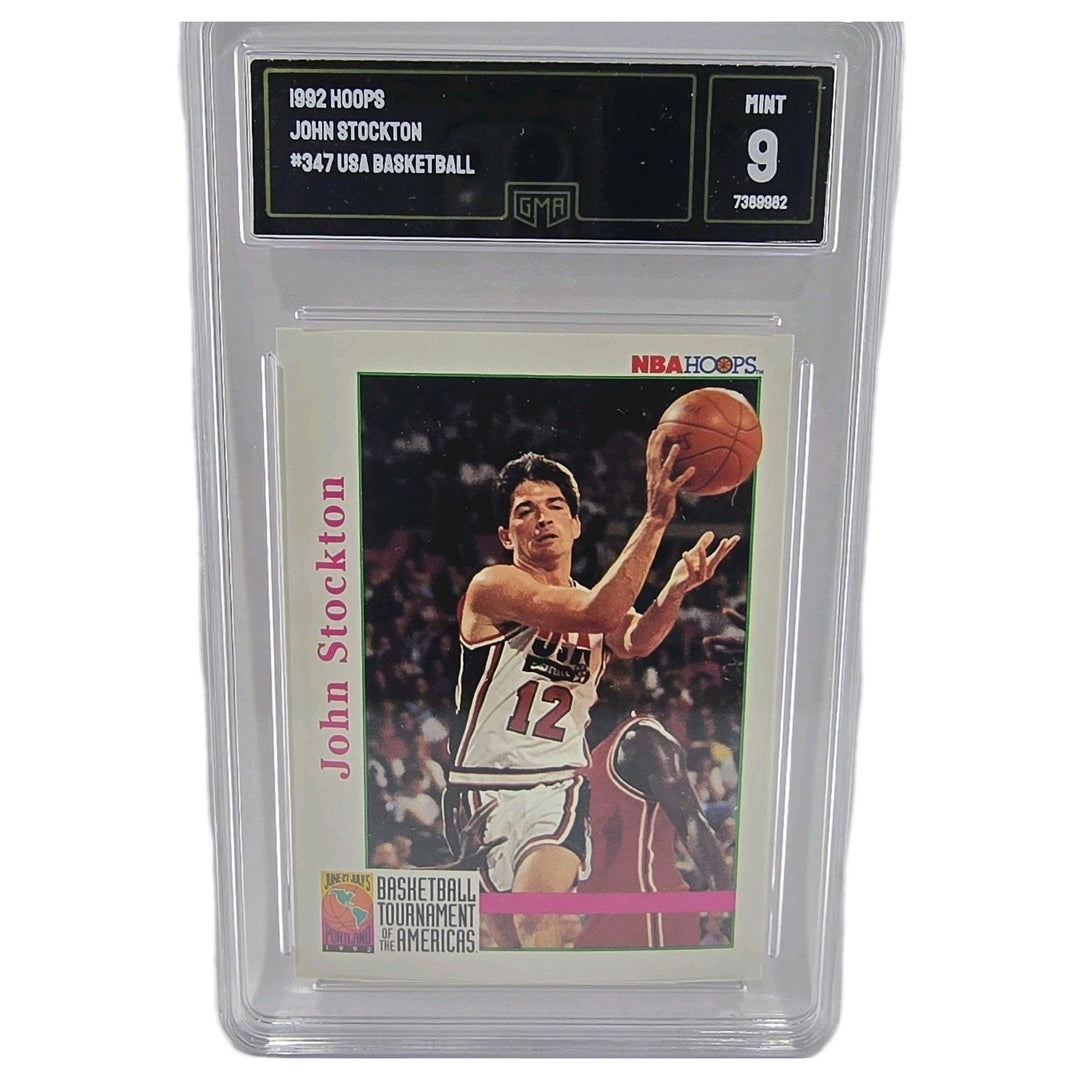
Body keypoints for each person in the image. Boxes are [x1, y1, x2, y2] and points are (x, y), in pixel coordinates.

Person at [444, 433, 739, 947]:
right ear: (506, 535)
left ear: (576, 524)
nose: (542, 517)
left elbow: (635, 639)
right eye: (525, 510)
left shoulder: (589, 599)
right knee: (505, 947)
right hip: (477, 787)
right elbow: (596, 615)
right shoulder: (493, 586)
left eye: (555, 506)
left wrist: (673, 592)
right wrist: (655, 519)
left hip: (556, 784)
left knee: (535, 916)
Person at [575, 712, 732, 949]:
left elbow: (692, 820)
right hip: (601, 916)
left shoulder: (644, 739)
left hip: (648, 911)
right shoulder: (584, 758)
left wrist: (723, 900)